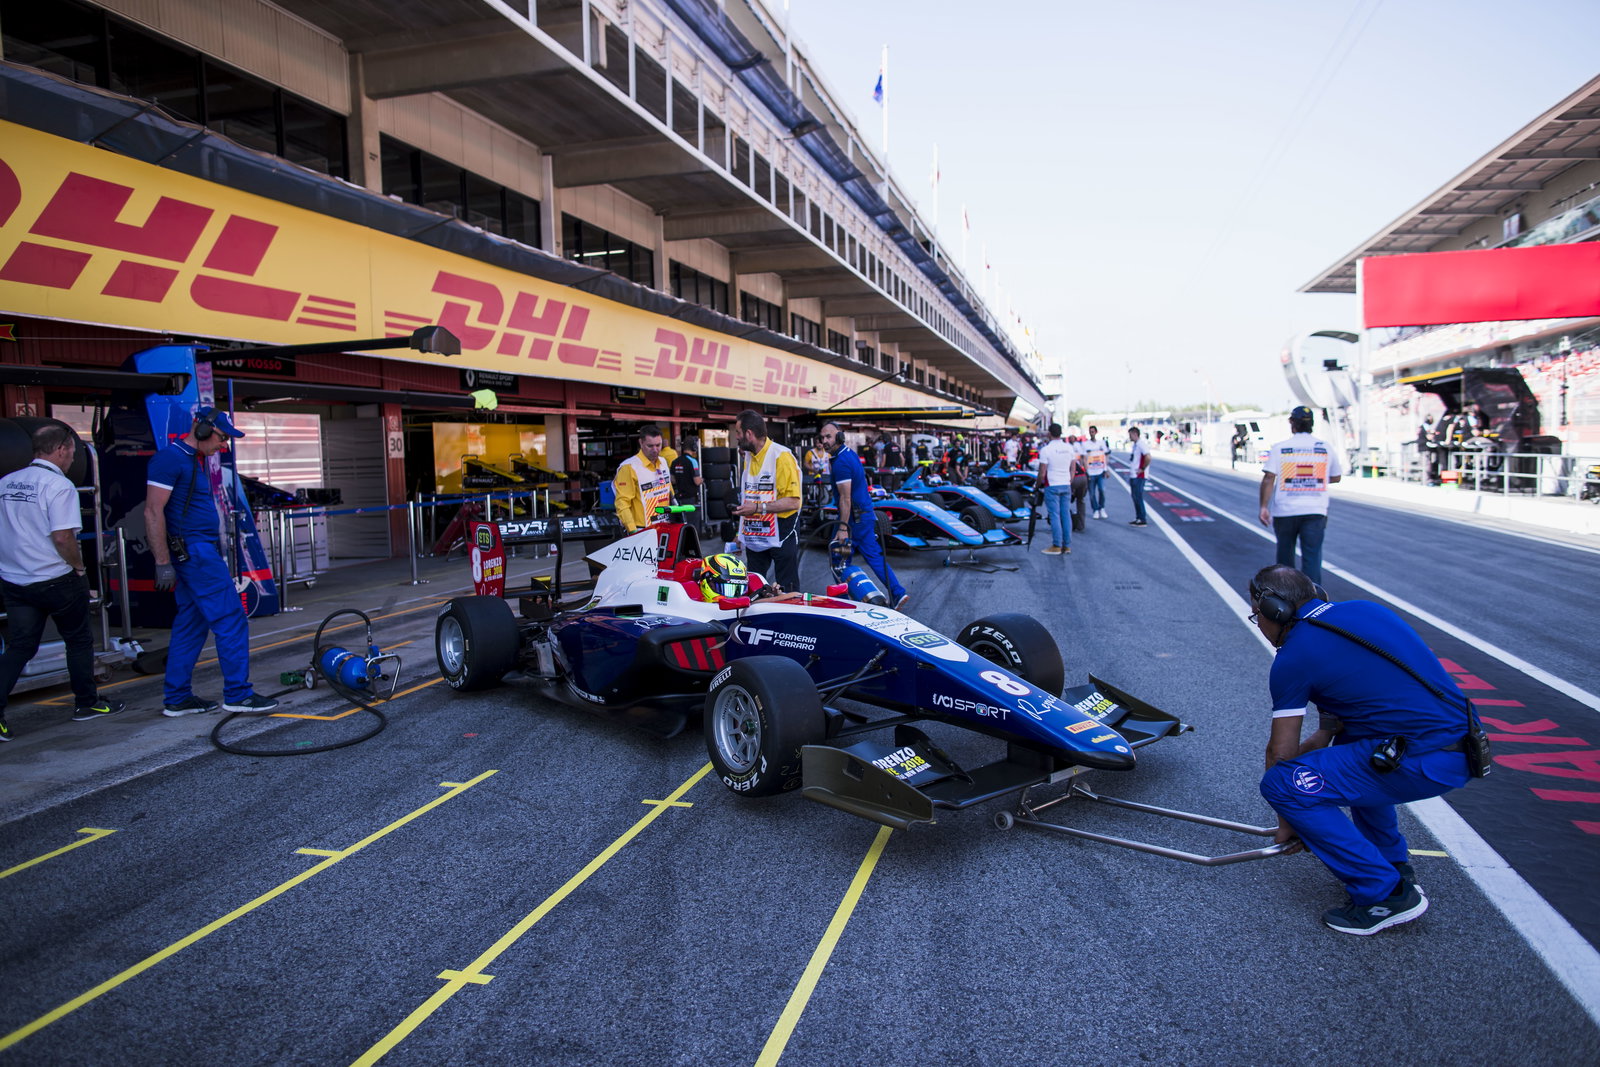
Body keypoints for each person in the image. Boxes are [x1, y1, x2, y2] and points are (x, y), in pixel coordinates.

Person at [1249, 565, 1476, 935]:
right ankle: (1392, 864)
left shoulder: (1293, 657)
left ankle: (1383, 894)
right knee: (1353, 749)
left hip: (1423, 758)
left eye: (1256, 615)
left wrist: (1290, 818)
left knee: (1281, 784)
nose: (1259, 623)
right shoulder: (1365, 610)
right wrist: (1320, 746)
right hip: (1462, 747)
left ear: (1274, 610)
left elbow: (1280, 752)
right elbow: (1332, 729)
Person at [145, 407, 277, 716]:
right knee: (231, 618)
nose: (224, 445)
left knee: (191, 625)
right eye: (221, 437)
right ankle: (238, 694)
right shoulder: (170, 459)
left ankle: (177, 698)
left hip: (196, 552)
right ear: (202, 429)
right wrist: (162, 562)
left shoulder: (191, 460)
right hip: (195, 554)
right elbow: (152, 511)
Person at [0, 424, 126, 740]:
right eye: (71, 452)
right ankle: (87, 703)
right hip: (56, 578)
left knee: (19, 647)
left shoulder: (6, 482)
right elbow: (63, 537)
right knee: (79, 640)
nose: (72, 459)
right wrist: (79, 567)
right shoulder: (59, 485)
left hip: (14, 580)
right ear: (60, 450)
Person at [820, 421, 907, 609]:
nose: (824, 441)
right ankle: (898, 593)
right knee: (874, 556)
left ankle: (844, 601)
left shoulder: (841, 462)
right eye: (822, 437)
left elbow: (845, 498)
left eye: (828, 436)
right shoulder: (848, 454)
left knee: (838, 559)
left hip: (853, 519)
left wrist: (843, 528)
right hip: (864, 514)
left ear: (840, 436)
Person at [1258, 405, 1344, 585]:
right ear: (1312, 424)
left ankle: (1285, 595)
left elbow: (1269, 478)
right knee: (1312, 558)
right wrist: (1314, 479)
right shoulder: (1325, 447)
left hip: (1285, 511)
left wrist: (1264, 507)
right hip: (1315, 510)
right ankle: (1312, 597)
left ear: (1292, 423)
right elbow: (1336, 477)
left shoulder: (1281, 448)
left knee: (1285, 560)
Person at [731, 410, 801, 593]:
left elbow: (794, 502)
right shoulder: (749, 457)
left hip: (781, 531)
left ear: (749, 434)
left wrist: (757, 508)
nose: (736, 437)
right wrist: (740, 533)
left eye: (738, 432)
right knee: (754, 587)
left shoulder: (781, 456)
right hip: (755, 534)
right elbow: (749, 497)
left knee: (787, 590)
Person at [614, 424, 674, 534]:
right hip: (642, 530)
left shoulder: (663, 462)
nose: (655, 450)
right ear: (641, 443)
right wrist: (633, 531)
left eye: (658, 445)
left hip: (665, 526)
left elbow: (669, 491)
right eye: (650, 446)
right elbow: (622, 503)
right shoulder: (629, 467)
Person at [1035, 423, 1076, 556]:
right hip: (1066, 484)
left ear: (1049, 433)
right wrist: (1069, 480)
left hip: (1052, 484)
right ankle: (1067, 545)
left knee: (1054, 515)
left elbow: (1042, 473)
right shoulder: (1069, 448)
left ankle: (1057, 545)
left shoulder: (1046, 450)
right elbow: (1073, 468)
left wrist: (1037, 485)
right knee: (1066, 514)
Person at [1079, 425, 1110, 519]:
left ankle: (1102, 507)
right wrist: (1085, 470)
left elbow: (1106, 456)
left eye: (1093, 431)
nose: (1091, 433)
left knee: (1102, 490)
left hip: (1100, 471)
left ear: (1096, 432)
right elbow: (1083, 458)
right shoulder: (1085, 444)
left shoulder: (1101, 443)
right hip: (1090, 472)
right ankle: (1095, 509)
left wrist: (1106, 469)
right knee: (1092, 493)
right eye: (1090, 432)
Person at [1127, 426, 1151, 526]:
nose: (1129, 437)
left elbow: (1148, 457)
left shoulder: (1141, 444)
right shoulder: (1135, 445)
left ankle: (1142, 518)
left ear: (1135, 434)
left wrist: (1142, 468)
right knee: (1135, 496)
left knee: (1138, 496)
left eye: (1130, 435)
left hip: (1139, 475)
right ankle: (1138, 517)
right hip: (1134, 475)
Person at [1416, 415, 1440, 485]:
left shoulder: (1421, 426)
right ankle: (1426, 481)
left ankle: (1423, 480)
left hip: (1421, 447)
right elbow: (1429, 436)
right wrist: (1434, 434)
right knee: (1426, 465)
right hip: (1425, 448)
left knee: (1424, 465)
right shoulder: (1426, 426)